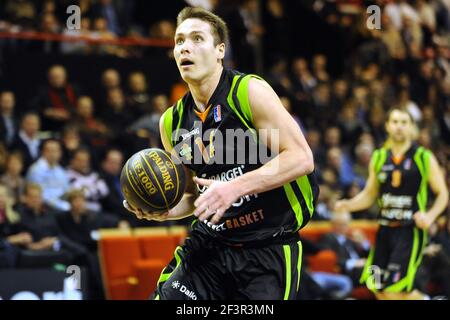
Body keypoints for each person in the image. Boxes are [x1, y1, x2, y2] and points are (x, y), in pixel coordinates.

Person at [124, 7, 318, 300]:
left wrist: (235, 188)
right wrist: (167, 210)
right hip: (210, 245)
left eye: (197, 38)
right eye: (179, 41)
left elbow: (301, 158)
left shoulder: (248, 92)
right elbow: (194, 195)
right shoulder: (172, 122)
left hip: (267, 248)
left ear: (219, 50)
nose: (184, 47)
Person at [334, 107, 449, 300]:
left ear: (412, 127)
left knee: (394, 290)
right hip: (384, 230)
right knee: (378, 287)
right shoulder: (379, 157)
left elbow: (443, 194)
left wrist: (429, 216)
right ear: (387, 126)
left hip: (408, 232)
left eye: (404, 122)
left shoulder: (423, 157)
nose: (399, 127)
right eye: (395, 122)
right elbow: (369, 195)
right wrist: (348, 204)